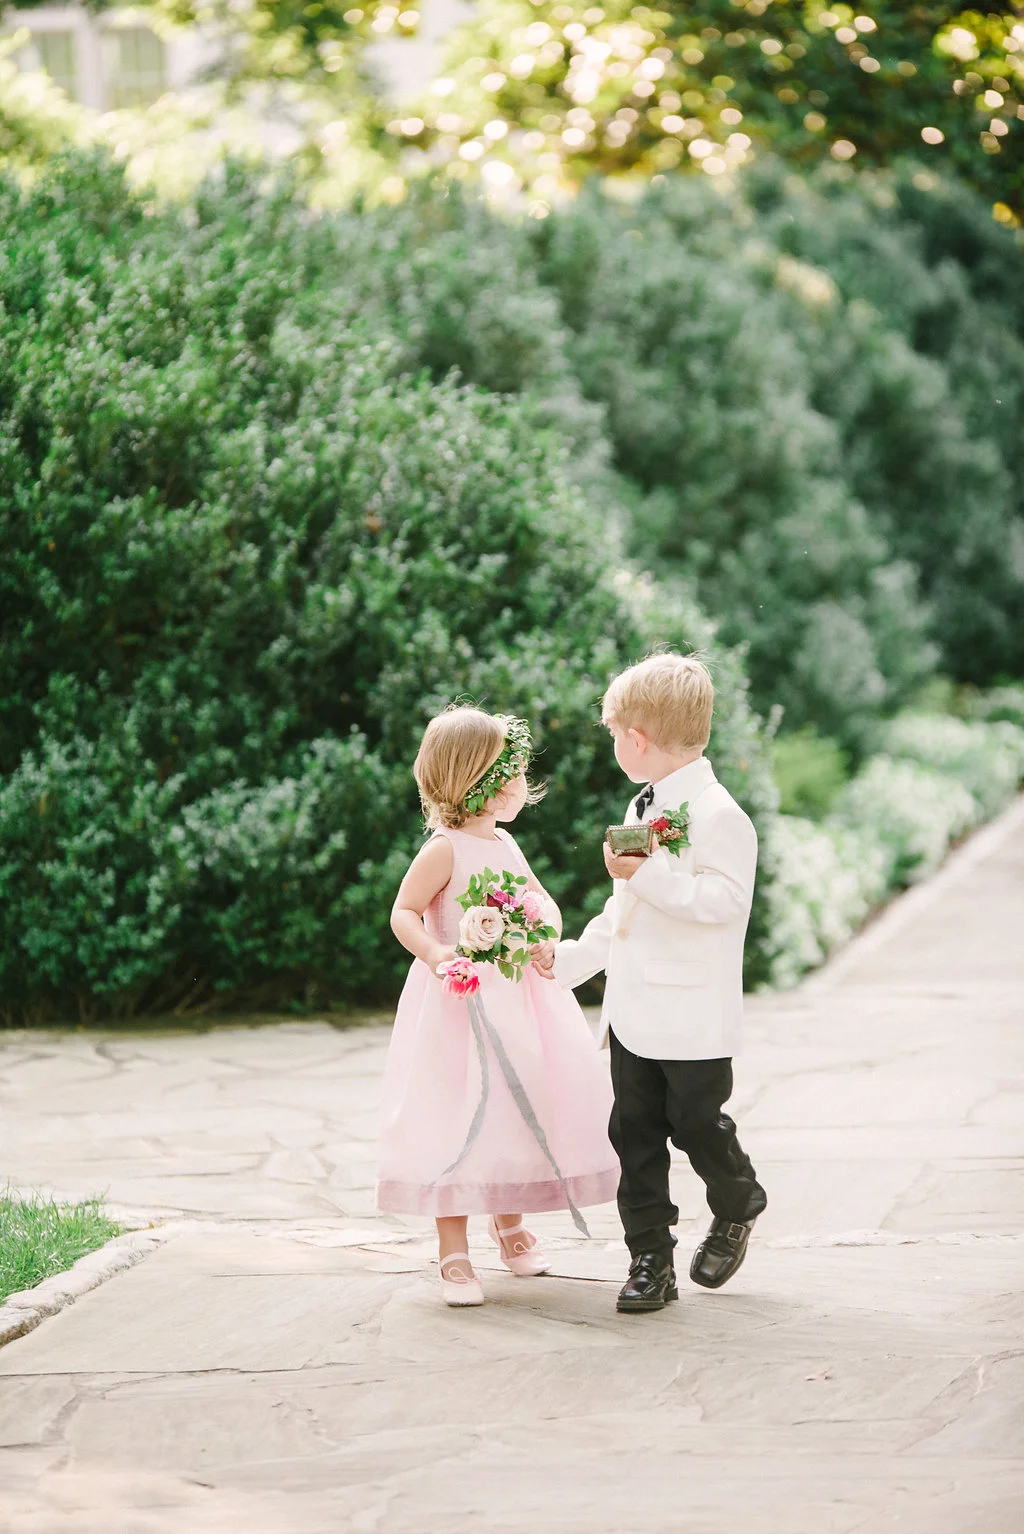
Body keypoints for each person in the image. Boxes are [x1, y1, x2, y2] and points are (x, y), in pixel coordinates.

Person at [546, 653, 766, 1314]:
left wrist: (642, 873)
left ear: (636, 740)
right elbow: (626, 911)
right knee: (634, 1135)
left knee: (696, 1124)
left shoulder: (720, 814)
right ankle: (650, 1259)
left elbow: (723, 903)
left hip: (694, 1016)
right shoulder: (643, 804)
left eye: (615, 735)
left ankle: (737, 1199)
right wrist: (571, 962)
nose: (615, 745)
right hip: (634, 1013)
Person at [378, 705, 620, 1307]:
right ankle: (452, 1249)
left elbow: (542, 902)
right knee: (455, 1112)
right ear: (478, 779)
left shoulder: (506, 844)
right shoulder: (445, 850)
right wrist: (438, 954)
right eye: (511, 770)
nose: (521, 781)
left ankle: (508, 1223)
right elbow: (403, 913)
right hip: (458, 1005)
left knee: (517, 1102)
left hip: (517, 999)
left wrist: (545, 934)